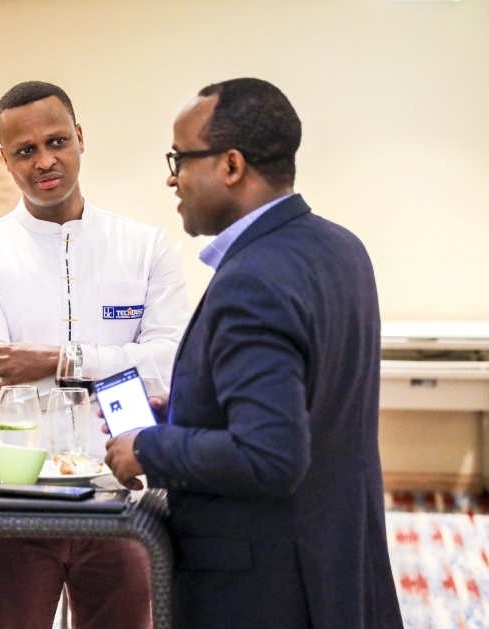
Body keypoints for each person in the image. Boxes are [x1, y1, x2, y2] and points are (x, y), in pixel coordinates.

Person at [104, 79, 403, 628]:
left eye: (179, 158)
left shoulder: (253, 279)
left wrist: (148, 446)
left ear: (231, 166)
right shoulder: (341, 249)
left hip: (263, 590)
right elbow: (313, 405)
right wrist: (190, 409)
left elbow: (271, 455)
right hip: (338, 564)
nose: (172, 178)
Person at [0, 81, 190, 629]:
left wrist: (58, 361)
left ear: (79, 138)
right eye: (25, 151)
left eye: (56, 141)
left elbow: (171, 364)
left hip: (120, 488)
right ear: (5, 160)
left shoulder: (145, 247)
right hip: (11, 500)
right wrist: (120, 360)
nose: (44, 160)